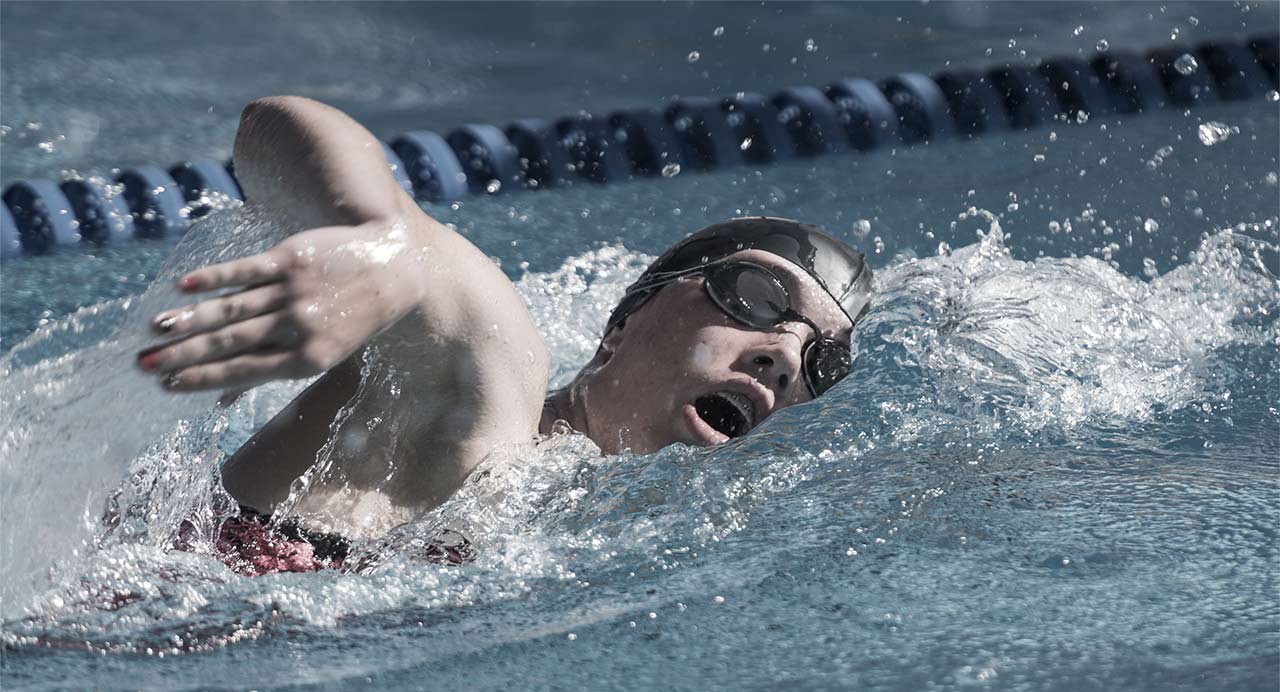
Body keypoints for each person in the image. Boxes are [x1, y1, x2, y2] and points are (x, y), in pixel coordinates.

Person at [136, 96, 873, 559]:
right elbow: (275, 124)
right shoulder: (491, 397)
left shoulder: (618, 542)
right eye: (756, 296)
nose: (783, 354)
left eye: (822, 359)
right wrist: (384, 250)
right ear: (624, 320)